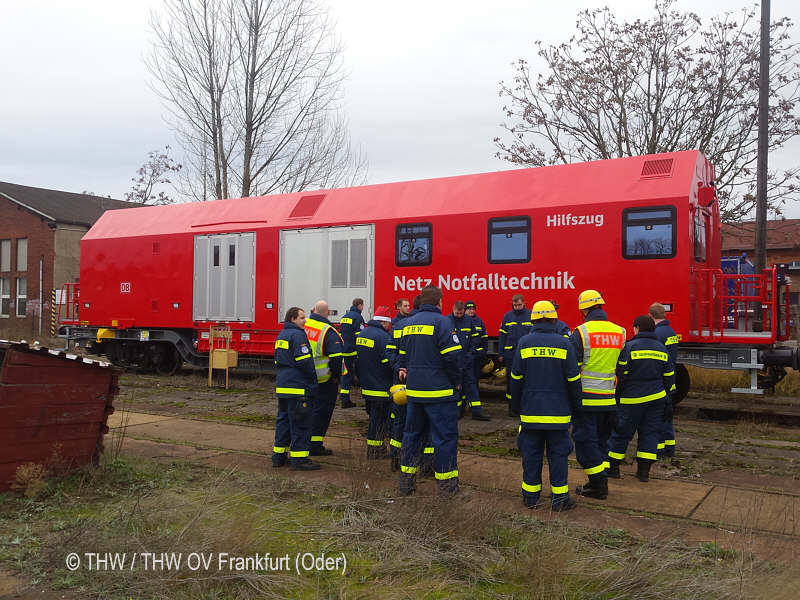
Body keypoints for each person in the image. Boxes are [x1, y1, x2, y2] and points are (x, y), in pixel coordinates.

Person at [511, 300, 581, 511]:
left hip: (531, 413)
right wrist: (576, 408)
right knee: (558, 456)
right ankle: (560, 501)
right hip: (558, 415)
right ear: (554, 319)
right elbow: (573, 380)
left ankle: (531, 498)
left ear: (533, 319)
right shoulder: (564, 344)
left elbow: (515, 378)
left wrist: (515, 407)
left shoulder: (524, 342)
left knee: (531, 455)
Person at [397, 285, 463, 496]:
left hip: (415, 392)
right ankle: (447, 488)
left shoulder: (407, 324)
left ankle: (406, 483)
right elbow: (453, 358)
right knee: (444, 439)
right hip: (440, 393)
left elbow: (403, 357)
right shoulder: (443, 322)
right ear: (439, 302)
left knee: (411, 436)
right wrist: (456, 382)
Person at [570, 289, 626, 500]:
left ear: (583, 310)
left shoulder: (581, 332)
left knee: (585, 443)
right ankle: (598, 479)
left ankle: (599, 485)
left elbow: (573, 370)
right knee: (602, 441)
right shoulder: (619, 332)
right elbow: (622, 367)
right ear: (601, 306)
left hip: (587, 399)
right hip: (609, 399)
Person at [607, 315, 675, 482]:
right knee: (650, 434)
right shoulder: (661, 348)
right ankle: (643, 473)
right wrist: (668, 399)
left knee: (621, 434)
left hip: (632, 400)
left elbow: (621, 376)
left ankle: (614, 468)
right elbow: (669, 377)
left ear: (637, 328)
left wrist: (617, 397)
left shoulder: (629, 347)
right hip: (657, 399)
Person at [272, 307, 320, 471]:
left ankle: (279, 457)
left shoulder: (281, 335)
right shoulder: (298, 335)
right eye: (302, 317)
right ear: (293, 319)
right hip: (298, 387)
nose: (305, 320)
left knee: (283, 421)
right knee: (300, 423)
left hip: (283, 385)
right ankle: (299, 460)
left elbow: (277, 359)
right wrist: (313, 380)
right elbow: (305, 362)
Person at [305, 300, 345, 456]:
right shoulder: (327, 330)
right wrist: (336, 377)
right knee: (322, 412)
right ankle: (315, 444)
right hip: (325, 380)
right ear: (327, 313)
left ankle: (303, 441)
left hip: (305, 377)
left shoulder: (304, 325)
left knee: (306, 410)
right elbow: (337, 357)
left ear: (313, 310)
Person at [355, 305, 394, 458]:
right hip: (380, 387)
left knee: (373, 418)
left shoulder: (362, 334)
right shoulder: (383, 337)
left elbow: (356, 362)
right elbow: (387, 363)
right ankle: (375, 450)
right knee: (380, 421)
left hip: (367, 386)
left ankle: (374, 448)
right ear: (384, 322)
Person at [448, 301, 490, 420]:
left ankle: (476, 412)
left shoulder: (468, 320)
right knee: (456, 388)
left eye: (461, 313)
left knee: (471, 386)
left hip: (466, 360)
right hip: (454, 362)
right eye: (457, 313)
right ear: (453, 309)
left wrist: (471, 353)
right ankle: (457, 412)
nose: (460, 315)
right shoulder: (447, 321)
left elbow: (475, 338)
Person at [649, 302, 679, 458]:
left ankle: (658, 449)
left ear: (650, 315)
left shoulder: (658, 334)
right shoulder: (670, 331)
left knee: (657, 417)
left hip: (660, 380)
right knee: (667, 415)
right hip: (670, 378)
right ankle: (670, 447)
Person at [386, 298, 412, 470]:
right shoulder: (397, 326)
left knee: (402, 422)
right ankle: (396, 457)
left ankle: (398, 456)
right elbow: (391, 351)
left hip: (408, 379)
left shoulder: (404, 325)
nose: (408, 308)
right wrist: (399, 369)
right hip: (403, 381)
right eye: (405, 306)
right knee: (401, 420)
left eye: (409, 306)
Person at [498, 294, 532, 415]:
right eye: (515, 305)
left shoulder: (530, 315)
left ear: (524, 303)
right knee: (511, 381)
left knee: (526, 380)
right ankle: (512, 408)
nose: (517, 307)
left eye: (519, 305)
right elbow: (502, 336)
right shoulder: (508, 316)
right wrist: (501, 353)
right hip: (510, 355)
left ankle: (525, 406)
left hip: (526, 354)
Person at [338, 298, 365, 409]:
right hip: (354, 352)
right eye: (363, 305)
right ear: (359, 305)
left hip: (344, 350)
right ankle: (367, 396)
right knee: (363, 374)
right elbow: (360, 335)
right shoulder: (358, 317)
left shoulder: (344, 317)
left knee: (346, 375)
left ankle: (344, 399)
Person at [465, 300, 489, 383]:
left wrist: (483, 351)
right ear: (465, 310)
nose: (471, 311)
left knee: (475, 378)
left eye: (473, 309)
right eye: (469, 309)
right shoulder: (462, 321)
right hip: (465, 356)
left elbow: (484, 338)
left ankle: (474, 395)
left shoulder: (479, 321)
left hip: (476, 356)